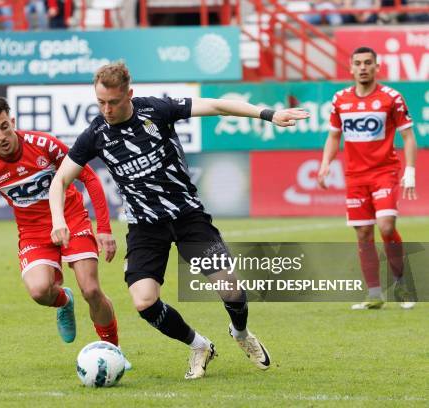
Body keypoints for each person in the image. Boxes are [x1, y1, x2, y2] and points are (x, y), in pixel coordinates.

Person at [48, 62, 310, 379]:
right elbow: (60, 180)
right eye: (101, 102)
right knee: (144, 301)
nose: (107, 109)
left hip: (187, 216)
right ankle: (199, 346)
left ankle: (240, 333)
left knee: (230, 288)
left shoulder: (157, 110)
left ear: (128, 94)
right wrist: (57, 218)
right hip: (145, 226)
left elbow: (215, 105)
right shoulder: (96, 134)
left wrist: (267, 114)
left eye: (113, 102)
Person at [0, 97, 130, 369]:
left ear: (13, 122)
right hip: (33, 233)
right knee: (40, 291)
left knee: (90, 289)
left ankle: (114, 353)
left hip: (72, 219)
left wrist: (104, 228)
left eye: (5, 126)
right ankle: (64, 300)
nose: (2, 136)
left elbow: (88, 176)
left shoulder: (44, 144)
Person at [318, 46, 417, 310]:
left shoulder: (391, 97)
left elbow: (408, 136)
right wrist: (326, 163)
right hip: (355, 176)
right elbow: (334, 136)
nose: (363, 67)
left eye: (368, 63)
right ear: (350, 68)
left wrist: (410, 171)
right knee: (363, 233)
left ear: (376, 67)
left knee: (385, 226)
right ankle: (374, 294)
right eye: (358, 63)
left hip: (385, 172)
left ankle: (402, 284)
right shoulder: (340, 99)